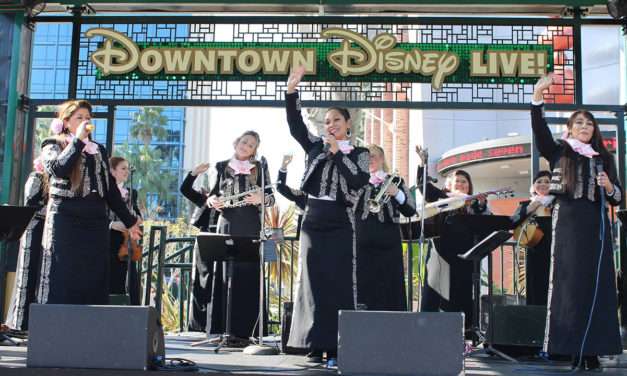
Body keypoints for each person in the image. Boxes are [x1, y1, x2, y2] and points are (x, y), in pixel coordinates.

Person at [532, 75, 623, 370]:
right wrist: (537, 96)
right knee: (569, 286)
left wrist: (608, 185)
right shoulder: (559, 151)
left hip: (596, 228)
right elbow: (539, 131)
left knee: (599, 286)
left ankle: (595, 349)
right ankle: (572, 349)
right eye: (579, 123)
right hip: (568, 224)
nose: (585, 127)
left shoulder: (603, 158)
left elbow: (618, 197)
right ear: (571, 128)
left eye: (589, 124)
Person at [285, 66, 370, 363]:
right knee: (312, 281)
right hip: (313, 218)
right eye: (327, 120)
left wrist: (339, 152)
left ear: (347, 123)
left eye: (336, 120)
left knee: (338, 282)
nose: (330, 124)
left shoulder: (358, 153)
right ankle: (312, 344)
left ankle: (335, 345)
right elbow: (296, 127)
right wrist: (292, 92)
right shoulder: (315, 147)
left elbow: (359, 180)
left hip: (340, 221)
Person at [37, 100, 141, 305]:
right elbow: (58, 169)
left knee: (93, 274)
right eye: (79, 118)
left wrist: (130, 222)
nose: (86, 121)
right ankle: (59, 323)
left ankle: (91, 326)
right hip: (66, 218)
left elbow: (110, 189)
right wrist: (77, 141)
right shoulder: (52, 144)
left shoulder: (99, 150)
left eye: (88, 118)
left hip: (95, 221)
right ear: (66, 122)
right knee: (64, 272)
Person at [205, 130, 275, 343]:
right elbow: (211, 196)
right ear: (237, 142)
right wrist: (212, 202)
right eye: (244, 142)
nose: (246, 146)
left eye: (251, 145)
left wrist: (261, 197)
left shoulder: (261, 168)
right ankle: (223, 329)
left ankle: (248, 330)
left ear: (255, 150)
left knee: (247, 272)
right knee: (226, 272)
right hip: (226, 222)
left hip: (251, 224)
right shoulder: (221, 166)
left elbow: (271, 198)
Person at [416, 146, 490, 334]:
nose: (461, 184)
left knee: (461, 296)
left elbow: (485, 227)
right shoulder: (441, 197)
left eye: (465, 182)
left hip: (463, 259)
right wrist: (423, 164)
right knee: (435, 296)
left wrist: (481, 207)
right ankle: (428, 334)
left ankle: (462, 334)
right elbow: (422, 185)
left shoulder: (473, 203)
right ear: (448, 184)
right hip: (440, 257)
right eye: (457, 181)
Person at [354, 144, 415, 311]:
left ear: (382, 159)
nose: (370, 160)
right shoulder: (357, 180)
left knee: (389, 283)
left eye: (374, 156)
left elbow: (410, 209)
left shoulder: (396, 180)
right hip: (362, 240)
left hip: (389, 241)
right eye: (367, 157)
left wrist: (397, 193)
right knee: (363, 282)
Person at [5, 158, 48, 330]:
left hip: (47, 232)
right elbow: (30, 204)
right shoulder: (36, 177)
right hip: (34, 230)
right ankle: (20, 323)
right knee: (28, 275)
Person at [179, 162, 220, 332]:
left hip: (223, 242)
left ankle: (216, 323)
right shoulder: (205, 199)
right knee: (202, 281)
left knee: (218, 282)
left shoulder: (231, 199)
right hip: (204, 241)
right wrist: (194, 173)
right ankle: (199, 325)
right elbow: (185, 189)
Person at [510, 171, 553, 306]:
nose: (543, 184)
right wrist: (530, 208)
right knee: (535, 286)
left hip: (555, 252)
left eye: (547, 181)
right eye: (539, 181)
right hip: (534, 253)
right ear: (533, 186)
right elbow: (512, 222)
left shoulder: (557, 204)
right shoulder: (526, 204)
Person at [108, 156, 142, 305]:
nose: (126, 172)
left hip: (126, 242)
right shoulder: (105, 192)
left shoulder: (131, 193)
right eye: (123, 168)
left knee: (129, 278)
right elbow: (97, 216)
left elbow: (138, 216)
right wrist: (112, 224)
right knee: (111, 279)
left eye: (127, 168)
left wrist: (136, 219)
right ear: (112, 171)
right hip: (108, 241)